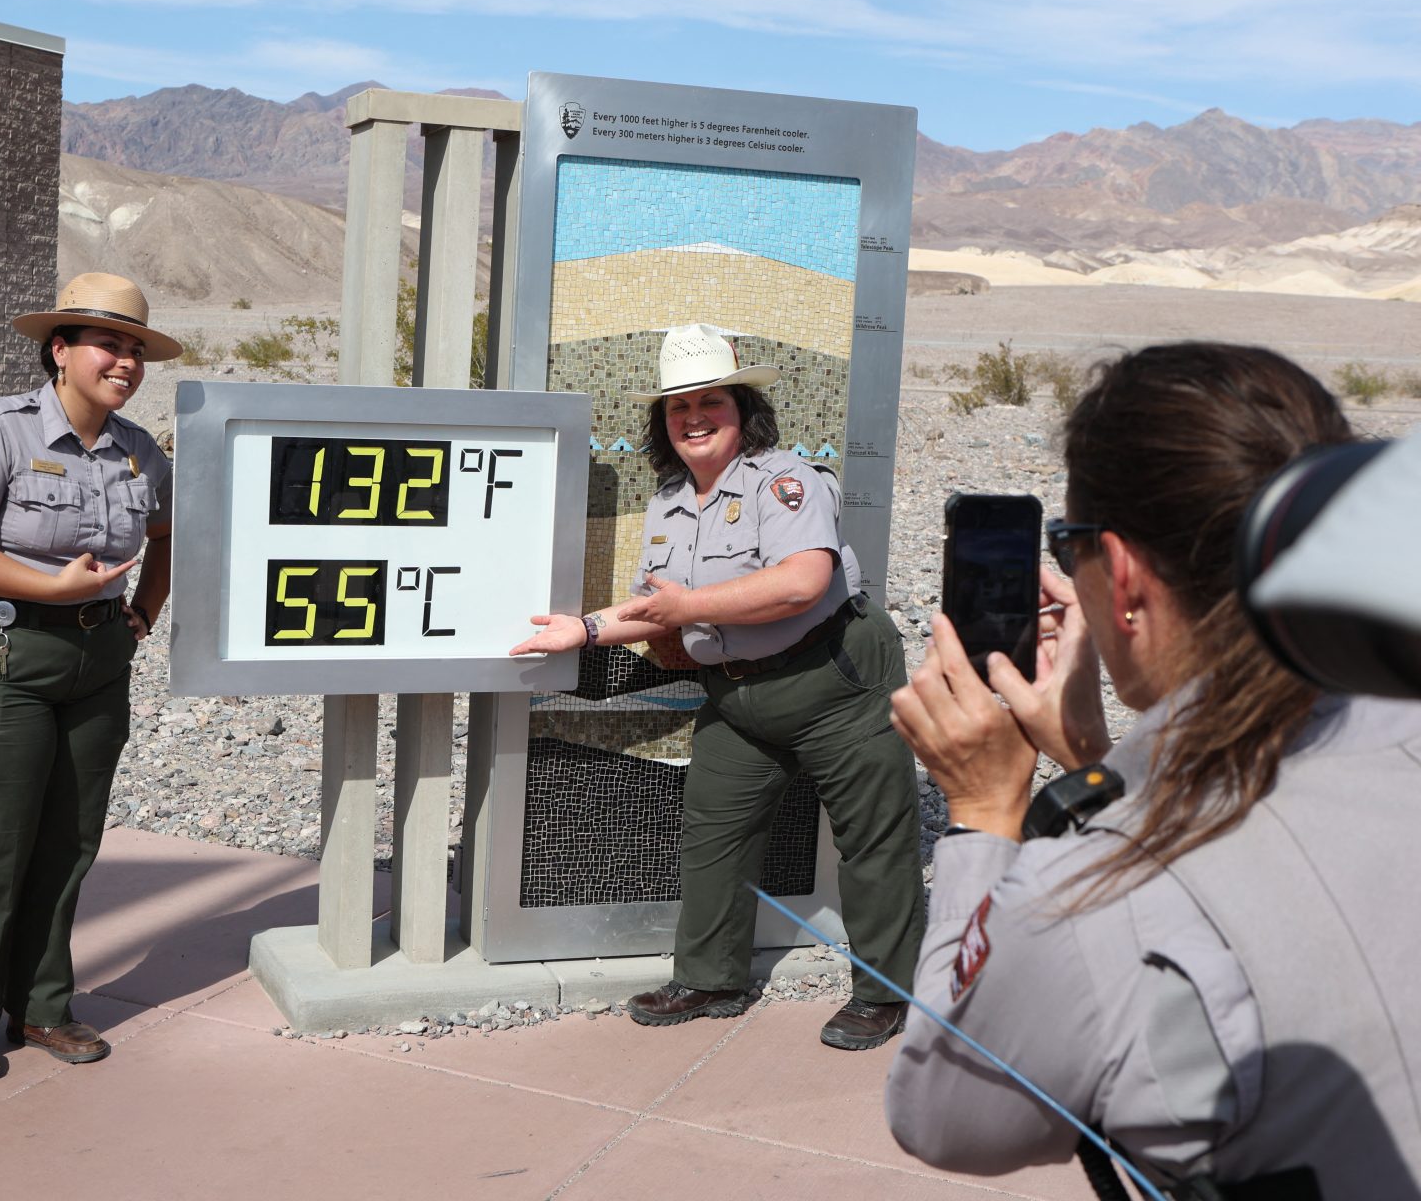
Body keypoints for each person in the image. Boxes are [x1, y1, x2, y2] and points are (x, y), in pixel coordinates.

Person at [886, 342, 1421, 1196]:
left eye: (1070, 547)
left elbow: (948, 1119)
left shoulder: (1086, 892)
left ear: (1123, 574)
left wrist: (986, 812)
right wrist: (1097, 762)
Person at [512, 324, 926, 1048]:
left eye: (711, 402)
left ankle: (886, 995)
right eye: (679, 407)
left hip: (837, 681)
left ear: (743, 410)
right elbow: (653, 606)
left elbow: (804, 582)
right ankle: (710, 978)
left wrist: (690, 610)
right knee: (713, 834)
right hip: (738, 695)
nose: (694, 418)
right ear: (663, 422)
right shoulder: (670, 504)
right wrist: (581, 630)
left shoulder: (786, 480)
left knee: (875, 841)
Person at [0, 273, 177, 1081]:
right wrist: (53, 588)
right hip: (4, 657)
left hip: (99, 661)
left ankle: (40, 1008)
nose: (125, 361)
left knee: (69, 842)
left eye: (135, 348)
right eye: (109, 344)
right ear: (60, 351)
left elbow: (166, 534)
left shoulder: (139, 448)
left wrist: (144, 613)